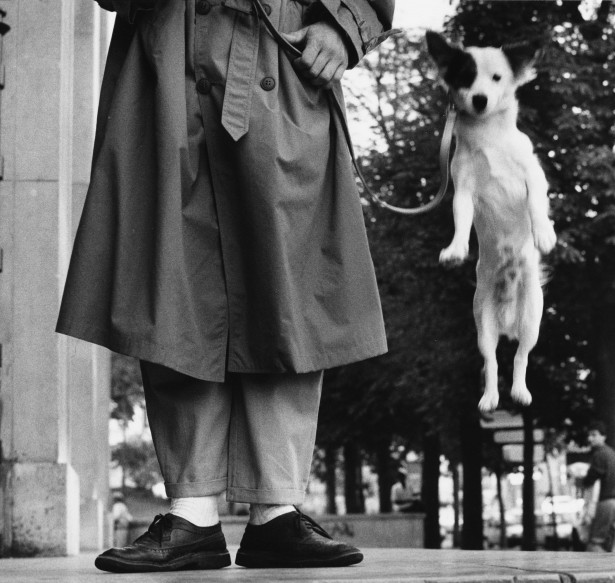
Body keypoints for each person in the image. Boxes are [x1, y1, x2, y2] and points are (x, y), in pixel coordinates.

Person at [57, 0, 395, 572]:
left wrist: (347, 24)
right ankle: (192, 513)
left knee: (289, 289)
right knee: (170, 284)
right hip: (164, 62)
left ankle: (276, 510)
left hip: (281, 59)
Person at [581, 421, 615, 552]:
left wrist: (582, 480)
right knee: (613, 544)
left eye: (594, 435)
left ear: (603, 436)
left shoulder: (599, 454)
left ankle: (599, 570)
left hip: (607, 502)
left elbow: (590, 480)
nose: (590, 438)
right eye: (589, 435)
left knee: (593, 544)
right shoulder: (612, 453)